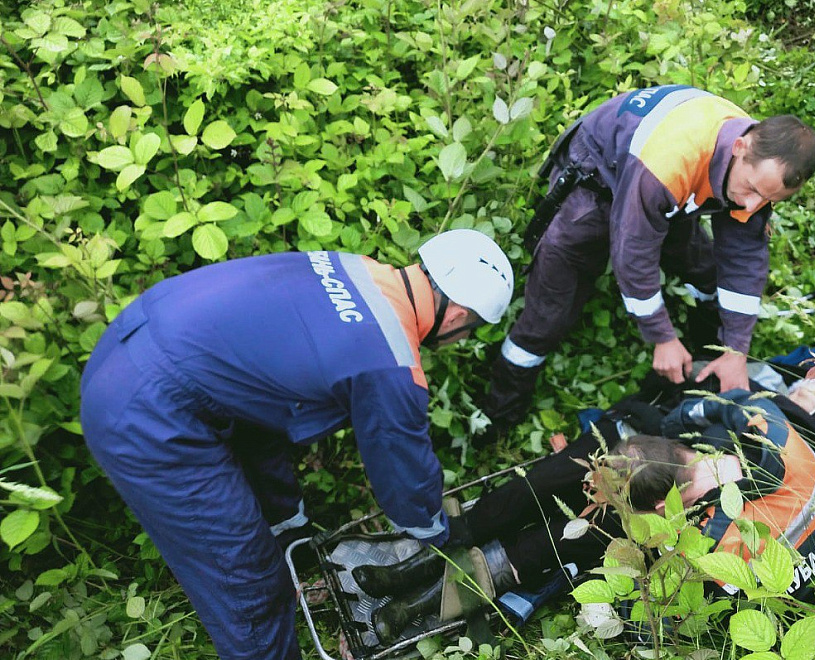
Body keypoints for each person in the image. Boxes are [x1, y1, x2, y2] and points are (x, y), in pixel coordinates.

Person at [79, 230, 514, 660]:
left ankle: (289, 538)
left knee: (265, 425)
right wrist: (440, 530)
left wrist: (291, 521)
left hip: (131, 343)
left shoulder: (354, 267)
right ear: (457, 315)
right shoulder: (392, 363)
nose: (461, 339)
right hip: (149, 415)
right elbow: (403, 475)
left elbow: (269, 404)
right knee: (250, 582)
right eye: (469, 331)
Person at [354, 387, 815, 644]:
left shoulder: (717, 544)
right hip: (680, 480)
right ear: (679, 452)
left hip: (737, 564)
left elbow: (659, 614)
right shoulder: (769, 428)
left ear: (661, 511)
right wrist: (675, 421)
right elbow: (723, 407)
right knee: (552, 479)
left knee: (582, 532)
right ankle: (424, 559)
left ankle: (421, 604)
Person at [480, 84, 815, 444]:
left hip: (667, 194)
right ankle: (498, 416)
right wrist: (661, 336)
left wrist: (736, 349)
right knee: (550, 312)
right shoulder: (671, 162)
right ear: (740, 148)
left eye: (767, 200)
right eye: (751, 191)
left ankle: (710, 356)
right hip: (596, 178)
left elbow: (744, 259)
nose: (751, 207)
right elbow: (633, 252)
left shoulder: (759, 163)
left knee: (709, 273)